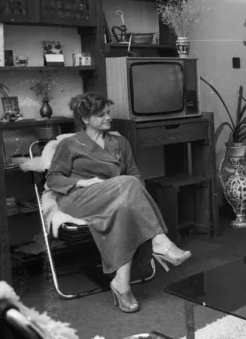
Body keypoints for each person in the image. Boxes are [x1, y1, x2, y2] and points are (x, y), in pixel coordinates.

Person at [46, 92, 192, 313]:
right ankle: (159, 241)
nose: (109, 117)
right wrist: (84, 182)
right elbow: (53, 178)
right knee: (127, 182)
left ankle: (121, 284)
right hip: (79, 198)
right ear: (85, 119)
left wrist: (130, 197)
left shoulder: (120, 143)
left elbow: (135, 175)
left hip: (116, 197)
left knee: (124, 203)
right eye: (101, 114)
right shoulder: (70, 144)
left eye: (108, 112)